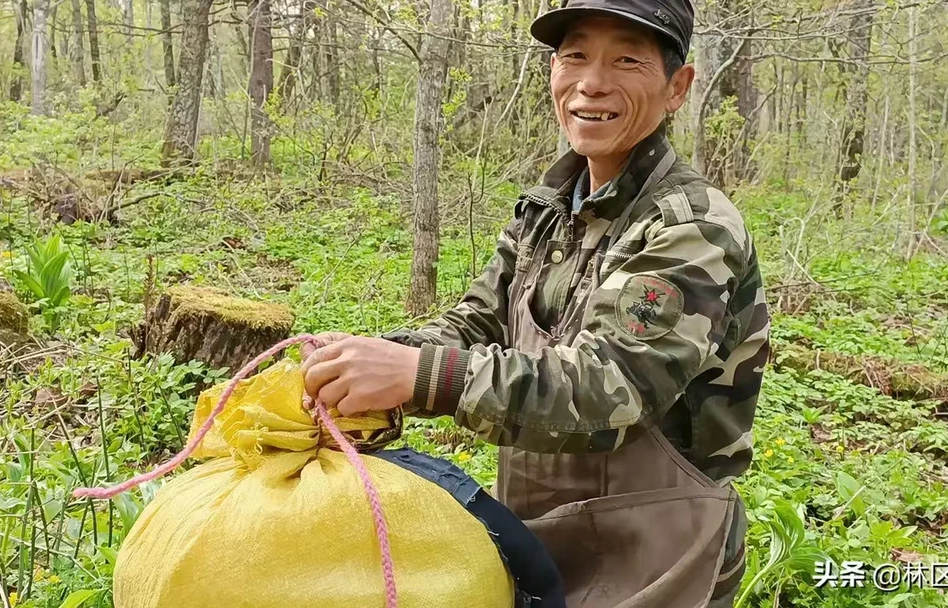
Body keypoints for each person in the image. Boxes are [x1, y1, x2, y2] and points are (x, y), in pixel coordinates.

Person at [300, 0, 770, 605]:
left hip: (657, 543)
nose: (591, 82)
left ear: (678, 87)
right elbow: (478, 321)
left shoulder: (691, 227)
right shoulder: (548, 209)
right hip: (543, 527)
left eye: (627, 60)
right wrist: (367, 358)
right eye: (574, 55)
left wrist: (418, 378)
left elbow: (612, 388)